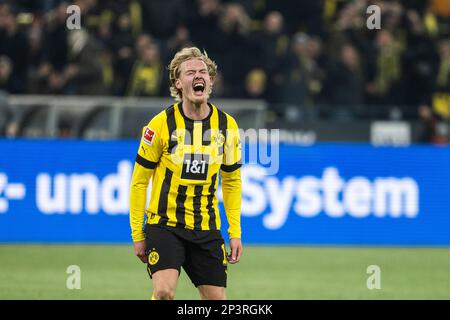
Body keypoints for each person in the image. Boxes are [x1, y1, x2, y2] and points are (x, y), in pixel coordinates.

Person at [129, 47, 242, 300]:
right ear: (178, 83)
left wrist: (235, 232)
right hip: (165, 225)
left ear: (210, 81)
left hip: (206, 227)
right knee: (163, 292)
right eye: (190, 72)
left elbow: (232, 181)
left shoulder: (227, 126)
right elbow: (139, 182)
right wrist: (138, 234)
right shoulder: (160, 125)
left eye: (203, 71)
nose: (198, 75)